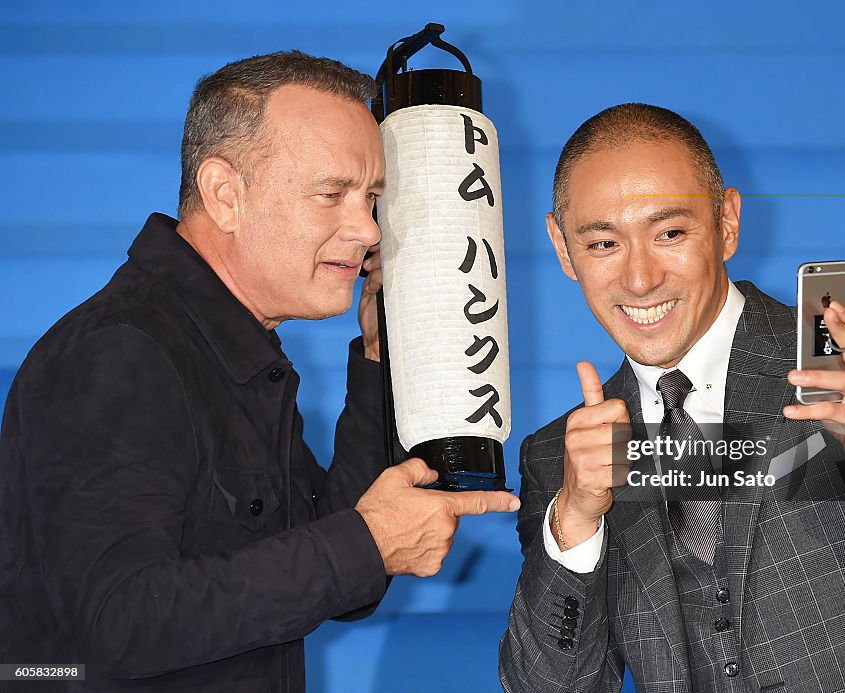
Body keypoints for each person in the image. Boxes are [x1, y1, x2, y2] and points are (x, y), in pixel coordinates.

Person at [0, 51, 519, 692]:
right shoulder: (118, 353)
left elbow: (334, 573)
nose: (367, 231)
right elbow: (115, 624)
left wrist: (380, 357)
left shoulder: (236, 350)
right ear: (226, 194)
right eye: (333, 194)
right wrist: (364, 544)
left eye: (373, 198)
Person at [498, 103, 845, 692]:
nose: (640, 279)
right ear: (562, 247)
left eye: (670, 233)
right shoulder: (557, 456)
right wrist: (573, 519)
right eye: (602, 244)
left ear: (726, 222)